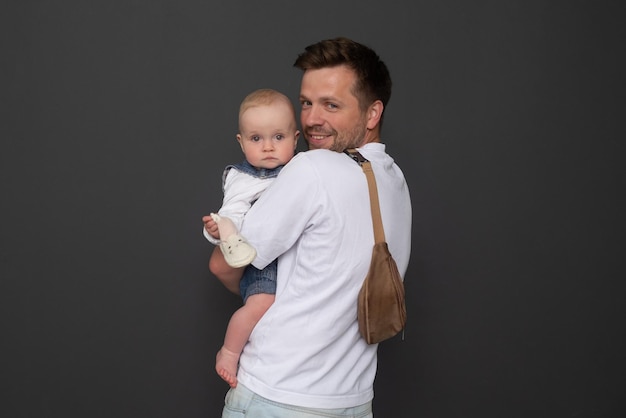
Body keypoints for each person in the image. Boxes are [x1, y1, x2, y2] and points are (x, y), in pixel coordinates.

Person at [209, 37, 412, 417]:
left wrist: (262, 291)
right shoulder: (395, 180)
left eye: (331, 105)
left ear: (372, 114)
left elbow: (223, 264)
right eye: (306, 103)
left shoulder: (311, 169)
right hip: (353, 401)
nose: (312, 119)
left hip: (278, 396)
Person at [202, 88, 300, 388]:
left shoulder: (302, 169)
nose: (268, 147)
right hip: (259, 261)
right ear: (241, 142)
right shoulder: (242, 178)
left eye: (278, 137)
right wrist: (217, 230)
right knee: (260, 305)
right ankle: (229, 351)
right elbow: (229, 214)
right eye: (256, 139)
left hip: (293, 257)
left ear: (296, 139)